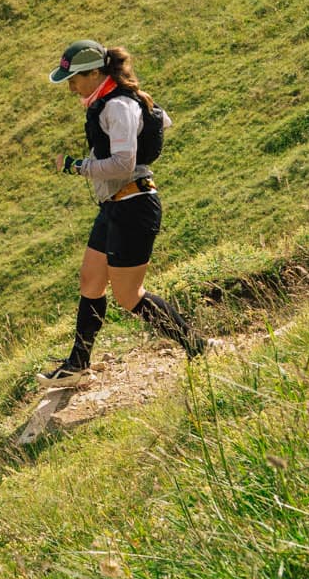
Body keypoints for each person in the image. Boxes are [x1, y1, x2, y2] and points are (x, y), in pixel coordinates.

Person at [46, 39, 203, 379]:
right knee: (90, 281)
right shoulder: (110, 102)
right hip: (114, 206)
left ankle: (197, 346)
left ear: (96, 73)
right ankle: (78, 364)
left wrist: (78, 166)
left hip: (134, 205)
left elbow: (122, 163)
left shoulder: (117, 106)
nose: (71, 87)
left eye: (74, 78)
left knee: (129, 295)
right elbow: (161, 122)